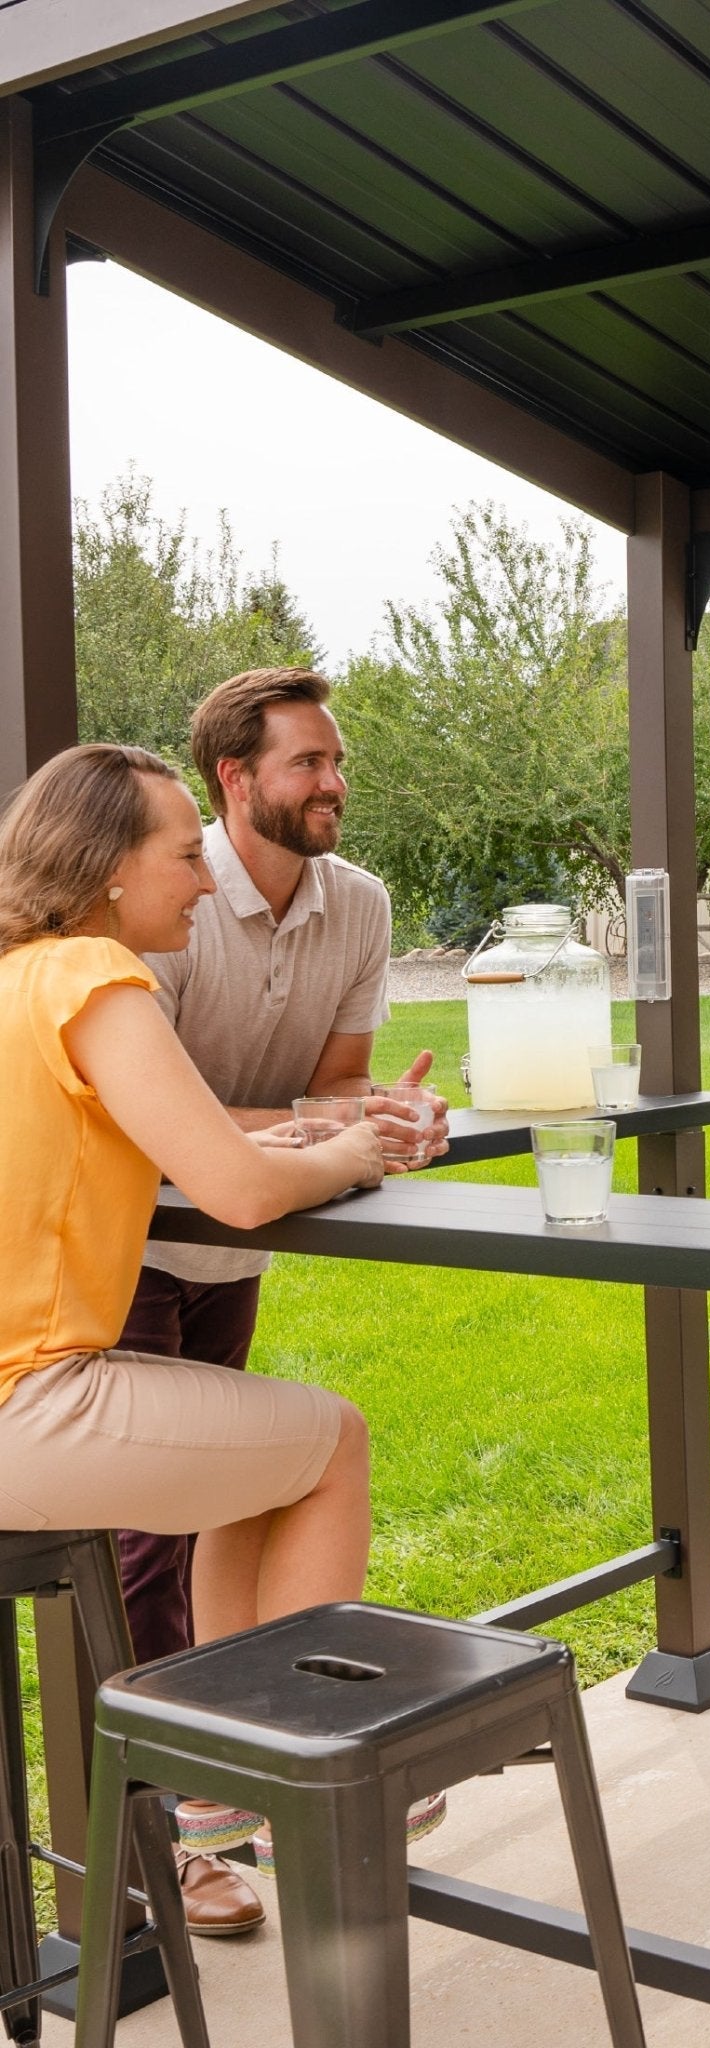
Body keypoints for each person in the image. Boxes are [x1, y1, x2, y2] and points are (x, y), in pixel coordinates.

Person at [105, 667, 447, 1931]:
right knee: (150, 1530)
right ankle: (174, 1825)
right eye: (306, 762)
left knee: (230, 1503)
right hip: (124, 1238)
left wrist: (388, 1112)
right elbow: (159, 1128)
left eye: (336, 758)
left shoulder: (357, 903)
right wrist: (323, 1134)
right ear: (234, 781)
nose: (334, 782)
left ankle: (248, 1765)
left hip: (241, 1230)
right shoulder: (153, 899)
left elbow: (337, 1083)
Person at [0, 746, 383, 1791]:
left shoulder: (15, 980)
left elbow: (204, 1145)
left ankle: (223, 1776)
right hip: (29, 1401)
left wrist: (291, 1144)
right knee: (332, 1440)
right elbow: (242, 1192)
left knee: (254, 1454)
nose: (207, 881)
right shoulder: (95, 971)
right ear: (109, 867)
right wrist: (355, 1151)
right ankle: (312, 1770)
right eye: (184, 857)